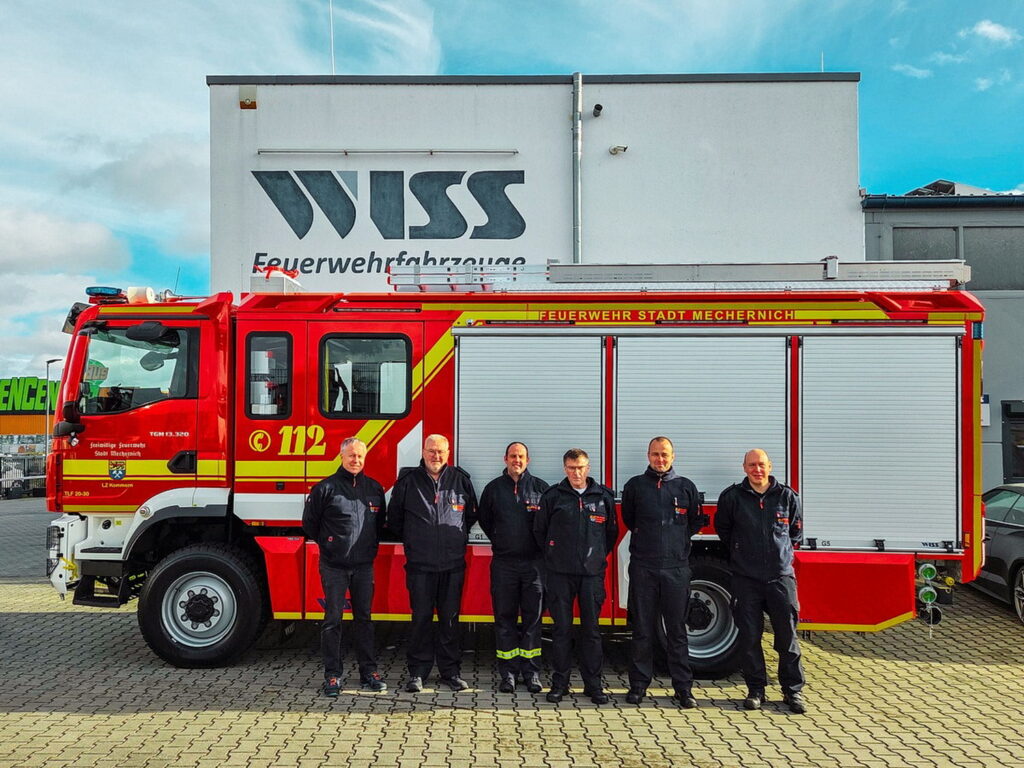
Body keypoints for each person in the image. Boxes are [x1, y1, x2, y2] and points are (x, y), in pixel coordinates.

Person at [715, 449, 806, 714]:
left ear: (770, 466)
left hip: (780, 578)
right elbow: (725, 531)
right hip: (746, 579)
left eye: (762, 465)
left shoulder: (786, 496)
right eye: (752, 465)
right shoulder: (732, 497)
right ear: (744, 467)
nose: (757, 469)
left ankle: (793, 692)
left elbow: (795, 533)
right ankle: (756, 690)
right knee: (750, 638)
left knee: (787, 638)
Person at [387, 433, 478, 693]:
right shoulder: (408, 481)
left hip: (452, 565)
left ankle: (450, 671)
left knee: (450, 620)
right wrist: (417, 540)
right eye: (431, 451)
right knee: (421, 619)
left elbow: (470, 515)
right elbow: (395, 519)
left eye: (440, 451)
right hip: (420, 566)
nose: (435, 456)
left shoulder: (461, 480)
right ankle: (418, 672)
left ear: (448, 453)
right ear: (423, 452)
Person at [621, 436, 704, 707]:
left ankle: (683, 688)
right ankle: (638, 686)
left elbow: (692, 523)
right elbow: (629, 520)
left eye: (664, 454)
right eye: (655, 454)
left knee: (677, 631)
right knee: (642, 630)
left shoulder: (686, 487)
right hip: (644, 567)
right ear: (648, 456)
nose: (660, 459)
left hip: (676, 569)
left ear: (673, 456)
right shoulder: (635, 486)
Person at [302, 437, 387, 697]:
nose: (356, 460)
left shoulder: (374, 489)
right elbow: (309, 524)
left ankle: (368, 672)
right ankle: (332, 675)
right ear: (341, 457)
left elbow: (380, 523)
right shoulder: (325, 488)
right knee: (333, 621)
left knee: (364, 620)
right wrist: (330, 545)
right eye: (351, 456)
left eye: (360, 456)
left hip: (363, 567)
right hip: (334, 567)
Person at [533, 448, 617, 705]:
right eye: (571, 468)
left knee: (591, 631)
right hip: (560, 575)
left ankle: (594, 686)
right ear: (564, 469)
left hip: (591, 575)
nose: (576, 473)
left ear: (588, 468)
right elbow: (540, 531)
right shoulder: (553, 496)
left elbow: (610, 534)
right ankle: (560, 684)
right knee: (561, 631)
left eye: (580, 467)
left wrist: (596, 557)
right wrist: (554, 555)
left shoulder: (603, 497)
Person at [478, 442, 549, 694]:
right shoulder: (493, 489)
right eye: (512, 456)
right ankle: (507, 674)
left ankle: (531, 673)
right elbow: (485, 519)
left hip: (534, 566)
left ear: (528, 459)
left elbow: (549, 523)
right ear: (505, 458)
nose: (516, 460)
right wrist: (500, 539)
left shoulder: (541, 488)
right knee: (504, 619)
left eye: (520, 456)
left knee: (533, 620)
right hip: (504, 564)